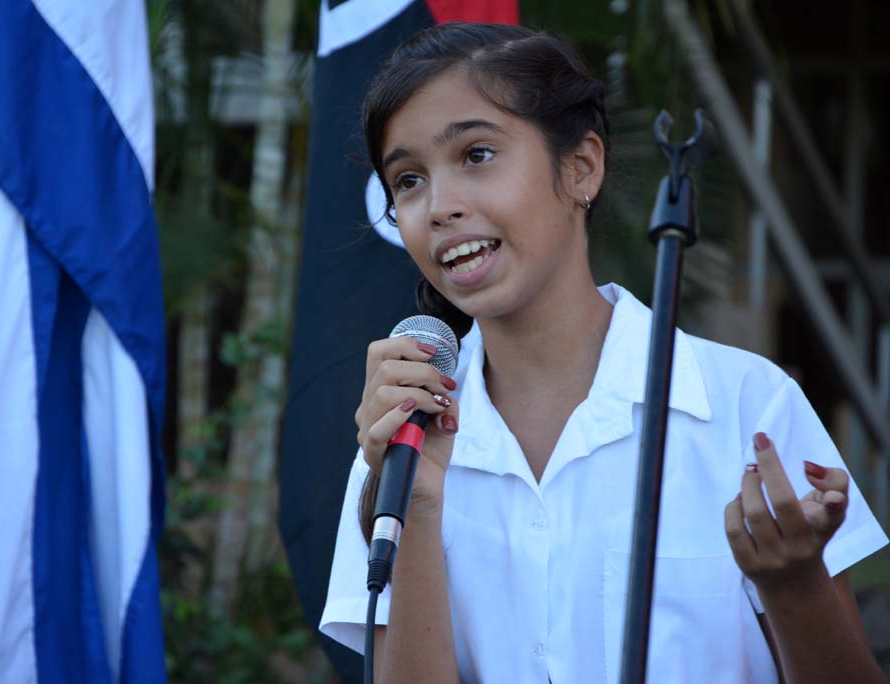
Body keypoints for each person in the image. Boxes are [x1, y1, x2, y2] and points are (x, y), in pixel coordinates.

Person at [319, 22, 888, 684]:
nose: (439, 207)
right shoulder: (400, 439)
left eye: (476, 154)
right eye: (409, 179)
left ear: (581, 168)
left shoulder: (745, 404)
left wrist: (793, 582)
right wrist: (416, 505)